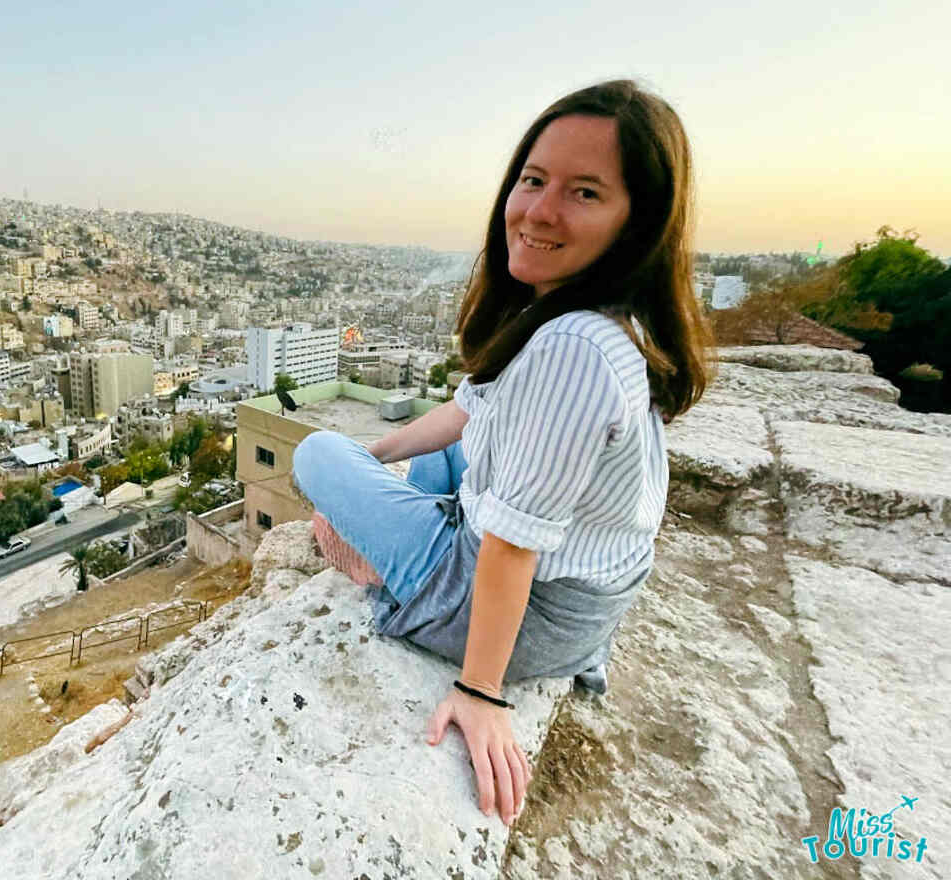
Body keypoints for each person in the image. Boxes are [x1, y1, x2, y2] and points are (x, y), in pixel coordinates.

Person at [291, 79, 714, 829]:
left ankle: (389, 572)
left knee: (318, 454)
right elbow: (466, 413)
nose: (540, 210)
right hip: (585, 606)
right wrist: (375, 463)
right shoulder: (602, 317)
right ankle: (392, 539)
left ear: (638, 221)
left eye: (584, 192)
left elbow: (514, 542)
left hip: (522, 614)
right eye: (534, 180)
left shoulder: (571, 349)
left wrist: (482, 692)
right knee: (421, 464)